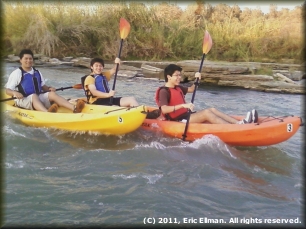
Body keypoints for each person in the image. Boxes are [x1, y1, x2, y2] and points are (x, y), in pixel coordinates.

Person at [155, 64, 258, 124]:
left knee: (212, 109)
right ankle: (235, 128)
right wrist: (183, 105)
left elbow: (191, 89)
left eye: (180, 75)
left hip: (187, 116)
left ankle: (238, 123)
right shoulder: (164, 91)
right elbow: (163, 109)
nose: (179, 78)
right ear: (168, 77)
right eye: (176, 75)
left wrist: (197, 79)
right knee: (206, 113)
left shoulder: (178, 88)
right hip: (177, 120)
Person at [5, 49, 85, 113]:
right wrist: (15, 93)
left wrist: (49, 89)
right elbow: (8, 90)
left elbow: (43, 86)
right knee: (34, 96)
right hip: (23, 100)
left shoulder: (37, 72)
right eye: (26, 59)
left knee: (52, 94)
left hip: (37, 97)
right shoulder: (17, 73)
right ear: (20, 60)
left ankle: (74, 108)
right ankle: (47, 113)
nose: (28, 61)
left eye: (30, 59)